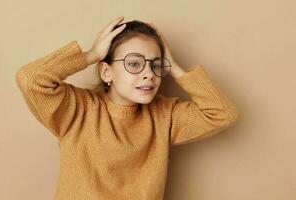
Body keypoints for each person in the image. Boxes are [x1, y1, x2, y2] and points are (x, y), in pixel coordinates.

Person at [15, 16, 239, 200]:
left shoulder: (164, 115)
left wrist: (173, 65)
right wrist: (91, 55)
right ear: (106, 72)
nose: (149, 73)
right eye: (134, 63)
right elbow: (31, 79)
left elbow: (223, 114)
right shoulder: (77, 110)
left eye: (155, 64)